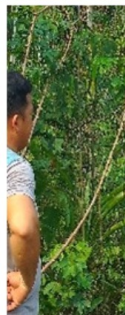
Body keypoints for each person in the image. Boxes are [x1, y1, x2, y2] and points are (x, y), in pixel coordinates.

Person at [7, 71, 41, 314]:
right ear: (16, 121)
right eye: (30, 116)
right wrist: (26, 282)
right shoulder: (13, 168)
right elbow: (23, 228)